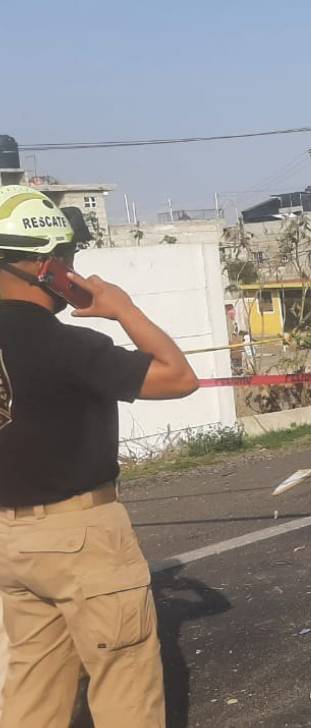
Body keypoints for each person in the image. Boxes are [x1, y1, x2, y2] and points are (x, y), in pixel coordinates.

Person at [0, 185, 198, 727]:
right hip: (81, 533)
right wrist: (120, 308)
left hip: (10, 541)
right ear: (47, 265)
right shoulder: (66, 346)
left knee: (32, 687)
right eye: (69, 259)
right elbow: (179, 378)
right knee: (124, 686)